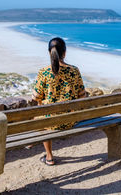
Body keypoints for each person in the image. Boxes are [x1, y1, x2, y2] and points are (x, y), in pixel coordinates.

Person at [32, 37, 86, 165]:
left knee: (40, 119)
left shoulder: (44, 72)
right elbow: (82, 95)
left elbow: (36, 97)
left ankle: (49, 156)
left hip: (49, 121)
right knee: (44, 117)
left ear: (49, 52)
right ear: (64, 53)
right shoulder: (74, 71)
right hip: (70, 120)